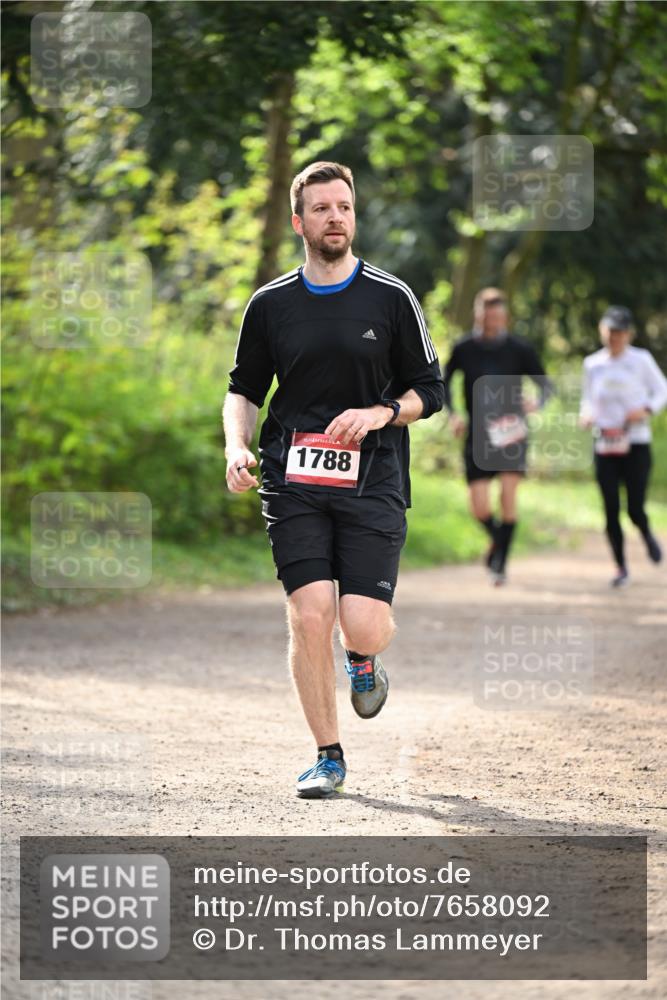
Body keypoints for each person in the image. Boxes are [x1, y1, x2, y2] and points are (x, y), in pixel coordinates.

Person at [223, 161, 444, 798]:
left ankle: (365, 657)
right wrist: (238, 445)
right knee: (310, 612)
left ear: (354, 214)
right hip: (292, 477)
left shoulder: (391, 297)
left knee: (363, 623)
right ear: (300, 222)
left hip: (373, 477)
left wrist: (381, 413)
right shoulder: (270, 305)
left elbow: (431, 391)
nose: (335, 217)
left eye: (343, 206)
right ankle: (327, 755)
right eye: (321, 208)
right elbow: (243, 389)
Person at [442, 288, 551, 585]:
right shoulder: (464, 347)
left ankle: (500, 563)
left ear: (505, 317)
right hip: (477, 432)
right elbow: (444, 381)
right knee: (479, 505)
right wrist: (453, 413)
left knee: (507, 497)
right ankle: (499, 542)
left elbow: (545, 385)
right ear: (478, 314)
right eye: (487, 316)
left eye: (497, 316)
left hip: (511, 430)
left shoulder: (520, 348)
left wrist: (536, 402)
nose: (492, 322)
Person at [579, 305, 667, 587]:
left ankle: (647, 534)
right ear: (602, 331)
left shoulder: (641, 360)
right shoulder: (592, 364)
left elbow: (662, 390)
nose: (613, 337)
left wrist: (646, 410)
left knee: (634, 508)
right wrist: (586, 415)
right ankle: (620, 566)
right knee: (610, 508)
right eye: (609, 331)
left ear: (628, 334)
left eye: (619, 332)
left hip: (635, 443)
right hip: (605, 442)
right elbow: (587, 399)